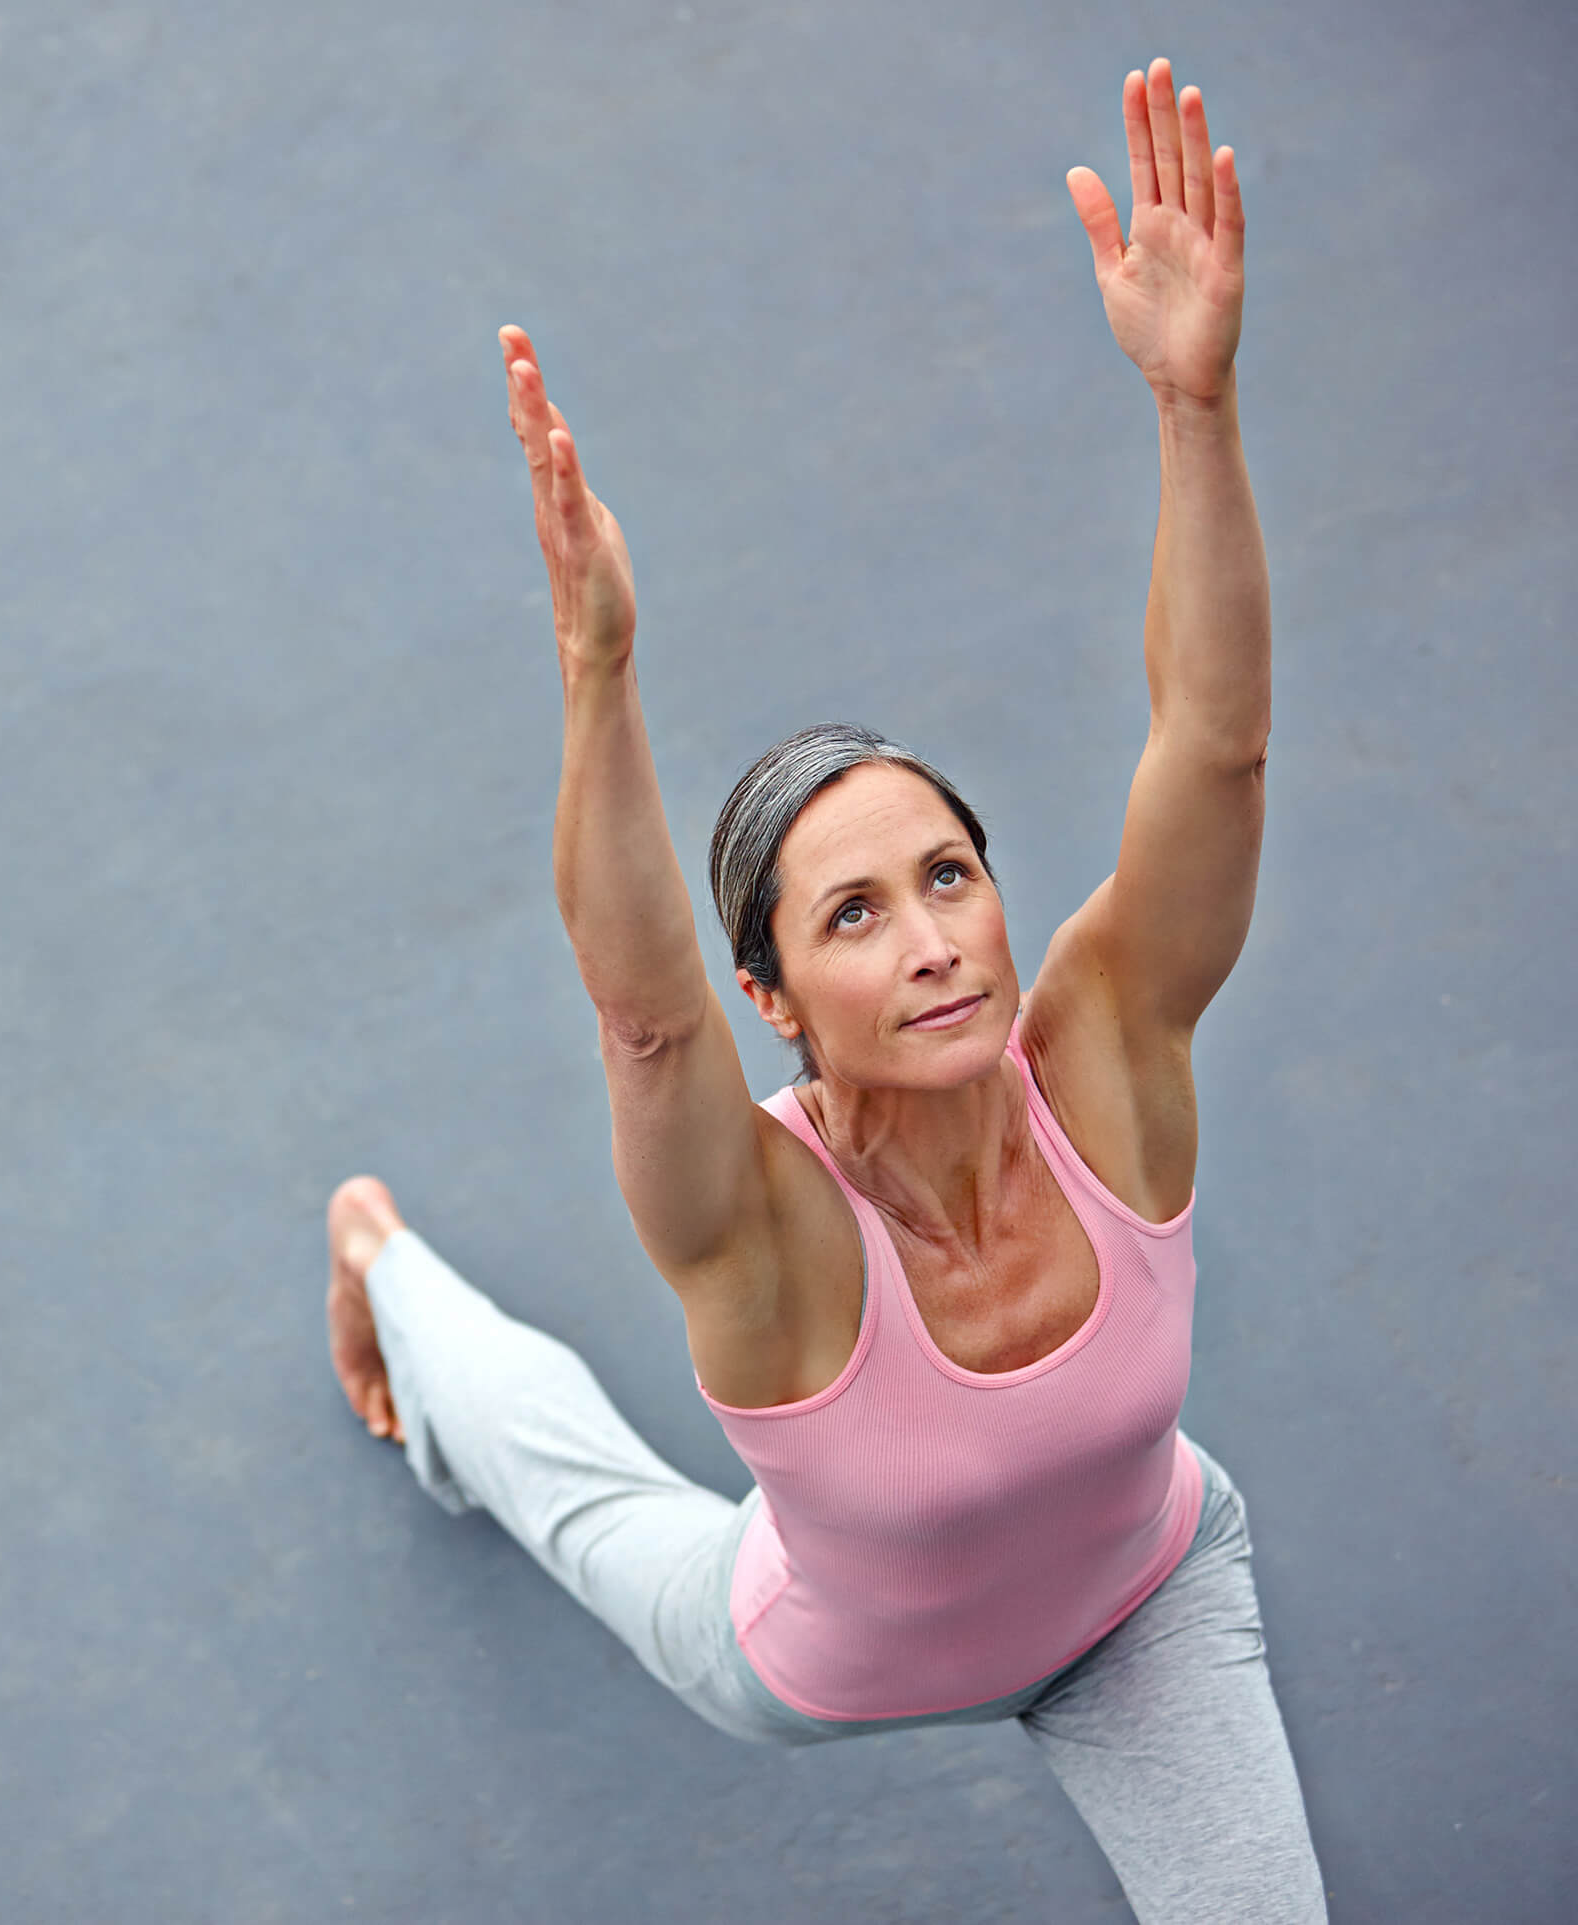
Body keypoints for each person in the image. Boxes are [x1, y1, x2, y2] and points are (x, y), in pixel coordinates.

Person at [322, 58, 1326, 1923]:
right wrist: (598, 674)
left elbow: (1220, 740)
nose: (932, 935)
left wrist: (1198, 406)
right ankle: (383, 1263)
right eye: (852, 916)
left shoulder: (1108, 1051)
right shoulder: (766, 1226)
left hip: (1143, 1611)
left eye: (947, 875)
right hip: (815, 1670)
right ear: (772, 997)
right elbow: (640, 1014)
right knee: (588, 1505)